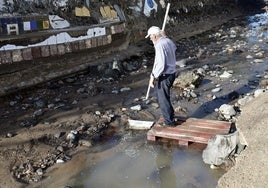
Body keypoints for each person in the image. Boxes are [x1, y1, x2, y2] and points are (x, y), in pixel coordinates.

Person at [145, 26, 177, 127]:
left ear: (154, 36)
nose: (150, 38)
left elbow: (160, 64)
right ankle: (170, 115)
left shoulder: (159, 45)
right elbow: (174, 47)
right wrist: (165, 36)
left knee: (163, 99)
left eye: (150, 36)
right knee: (161, 96)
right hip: (172, 73)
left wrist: (153, 77)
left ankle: (169, 122)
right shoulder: (167, 41)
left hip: (165, 75)